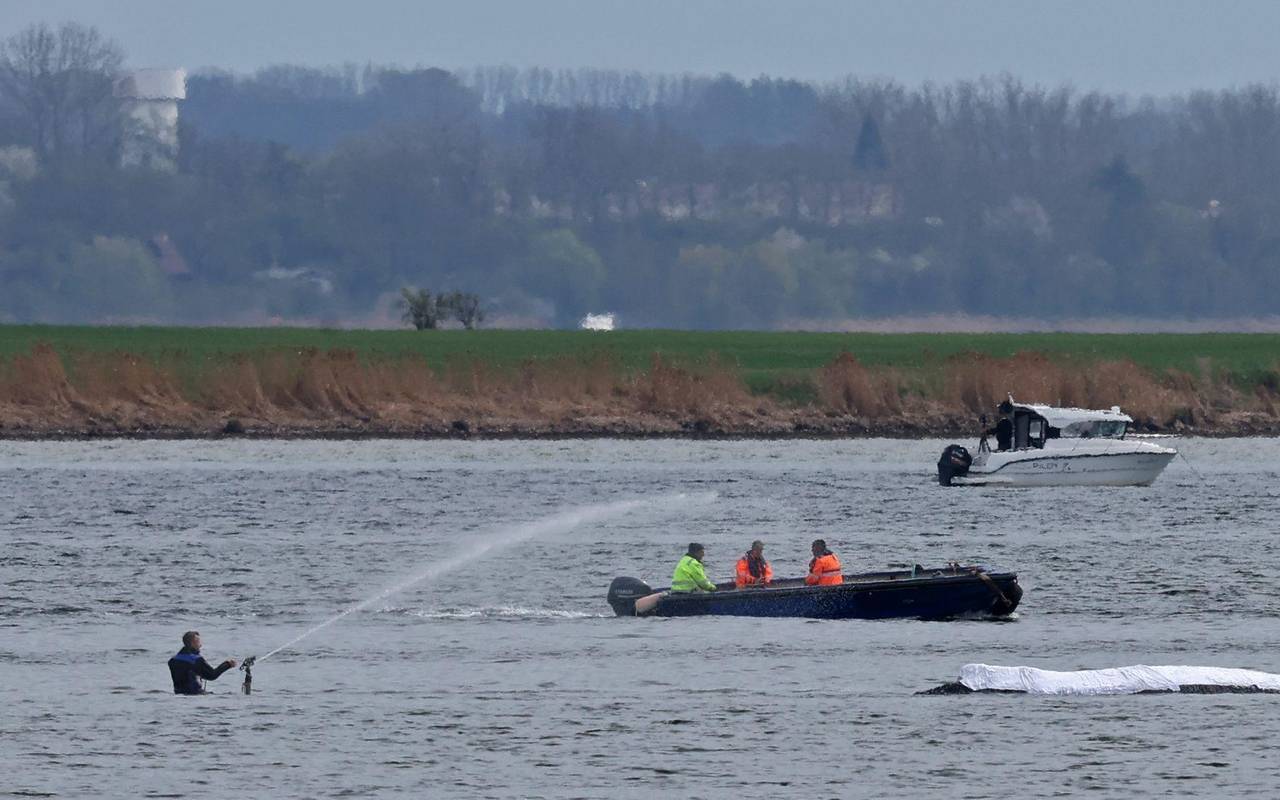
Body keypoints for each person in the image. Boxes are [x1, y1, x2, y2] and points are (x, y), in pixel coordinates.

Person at [168, 631, 237, 695]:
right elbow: (212, 675)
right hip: (195, 694)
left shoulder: (172, 660)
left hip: (178, 693)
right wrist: (227, 664)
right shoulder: (196, 660)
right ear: (192, 643)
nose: (200, 645)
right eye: (198, 642)